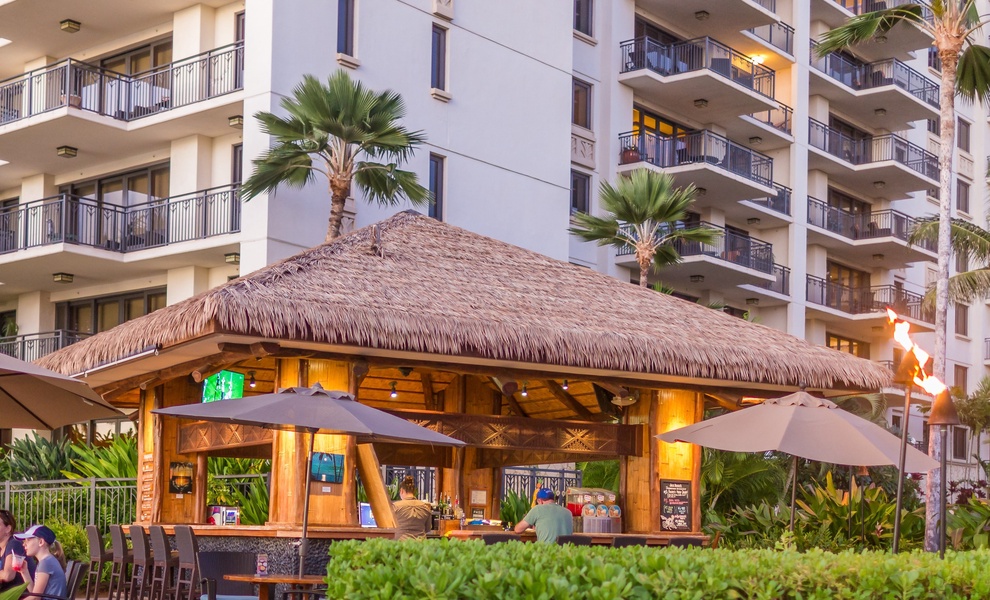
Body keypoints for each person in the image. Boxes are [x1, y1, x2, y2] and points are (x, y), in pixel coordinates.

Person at [16, 525, 65, 599]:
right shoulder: (47, 561)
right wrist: (24, 572)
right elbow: (36, 594)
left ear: (41, 542)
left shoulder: (46, 563)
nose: (24, 544)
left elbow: (35, 597)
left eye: (28, 540)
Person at [0, 510, 29, 592]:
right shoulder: (2, 547)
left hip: (21, 595)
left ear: (8, 529)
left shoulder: (14, 544)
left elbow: (8, 576)